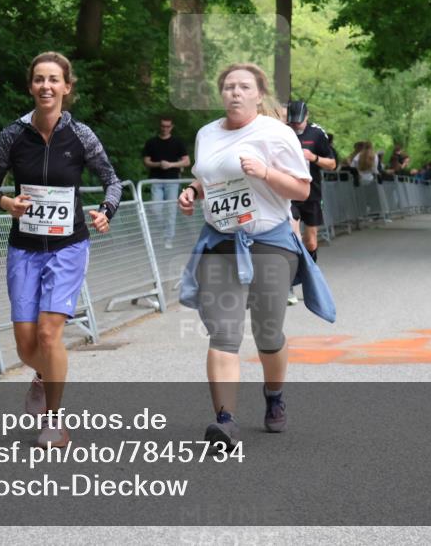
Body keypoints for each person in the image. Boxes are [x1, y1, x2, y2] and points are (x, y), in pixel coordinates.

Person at [177, 63, 335, 450]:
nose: (234, 93)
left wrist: (265, 172)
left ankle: (274, 393)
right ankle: (224, 422)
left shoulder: (276, 134)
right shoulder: (206, 134)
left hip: (270, 241)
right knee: (223, 333)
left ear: (259, 93)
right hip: (220, 241)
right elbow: (212, 175)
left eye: (243, 86)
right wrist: (194, 191)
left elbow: (300, 189)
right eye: (228, 86)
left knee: (267, 334)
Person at [0, 51, 122, 448]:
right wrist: (5, 202)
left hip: (68, 246)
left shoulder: (80, 135)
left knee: (48, 332)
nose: (46, 86)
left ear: (66, 87)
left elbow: (113, 180)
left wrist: (106, 210)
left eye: (54, 79)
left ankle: (55, 422)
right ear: (31, 87)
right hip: (24, 247)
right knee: (26, 343)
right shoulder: (13, 135)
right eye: (39, 79)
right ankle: (43, 376)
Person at [286, 100, 337, 264]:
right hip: (289, 192)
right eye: (292, 121)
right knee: (293, 234)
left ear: (306, 116)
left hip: (312, 193)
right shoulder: (282, 131)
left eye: (298, 121)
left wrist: (313, 157)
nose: (295, 125)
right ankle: (293, 272)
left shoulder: (317, 133)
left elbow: (332, 164)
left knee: (311, 241)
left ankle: (310, 271)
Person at [142, 116, 191, 249]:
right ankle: (164, 230)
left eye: (168, 126)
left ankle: (168, 238)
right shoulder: (151, 142)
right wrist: (159, 164)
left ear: (172, 127)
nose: (165, 128)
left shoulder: (177, 142)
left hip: (172, 181)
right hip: (156, 180)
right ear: (160, 126)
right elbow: (146, 161)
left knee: (170, 210)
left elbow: (186, 161)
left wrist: (171, 165)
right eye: (163, 126)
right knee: (155, 209)